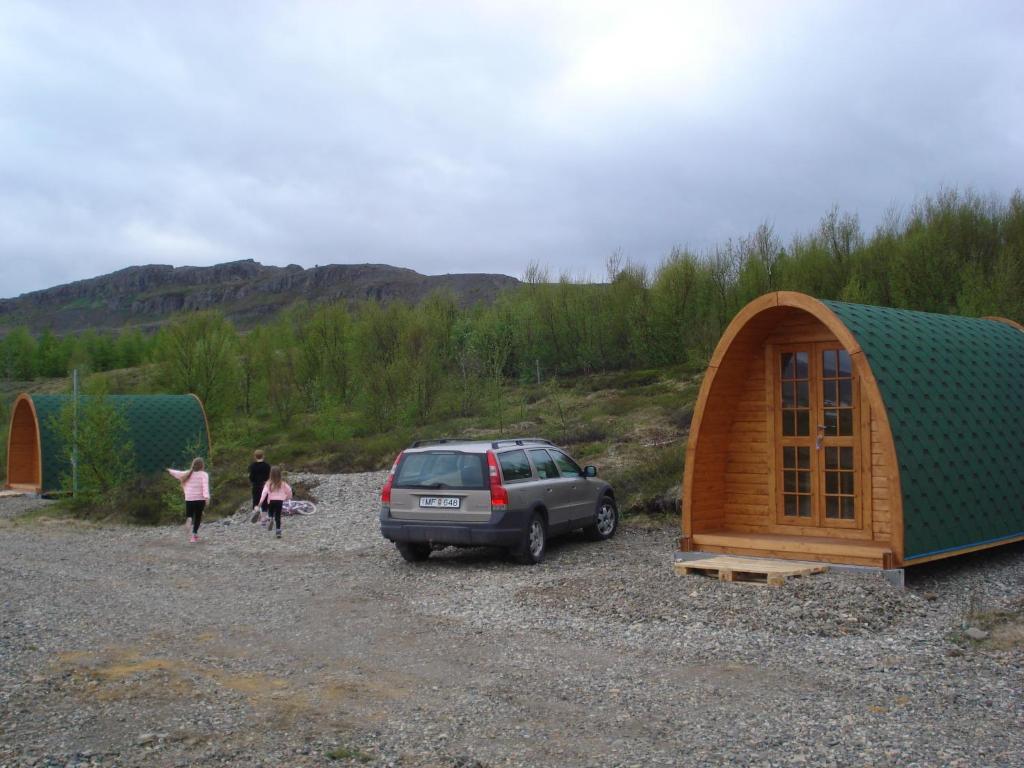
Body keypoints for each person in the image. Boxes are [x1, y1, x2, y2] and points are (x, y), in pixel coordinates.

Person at [167, 458, 210, 543]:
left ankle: (189, 519)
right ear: (202, 465)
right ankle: (194, 535)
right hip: (200, 499)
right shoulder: (204, 474)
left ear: (193, 465)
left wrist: (169, 470)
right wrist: (207, 497)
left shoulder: (187, 473)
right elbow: (205, 486)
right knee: (198, 517)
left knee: (190, 515)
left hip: (189, 499)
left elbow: (177, 473)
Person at [258, 465, 292, 539]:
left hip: (271, 501)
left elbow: (264, 493)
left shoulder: (268, 484)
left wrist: (260, 502)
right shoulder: (283, 483)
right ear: (280, 474)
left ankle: (271, 519)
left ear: (270, 474)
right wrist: (288, 497)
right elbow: (289, 490)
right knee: (278, 516)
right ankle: (278, 531)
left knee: (271, 512)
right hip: (279, 501)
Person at [248, 450, 271, 523]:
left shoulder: (252, 466)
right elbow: (269, 476)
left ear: (255, 457)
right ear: (263, 456)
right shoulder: (267, 465)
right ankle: (264, 518)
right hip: (265, 485)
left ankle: (256, 511)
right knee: (264, 501)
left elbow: (251, 477)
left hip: (255, 485)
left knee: (256, 500)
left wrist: (253, 481)